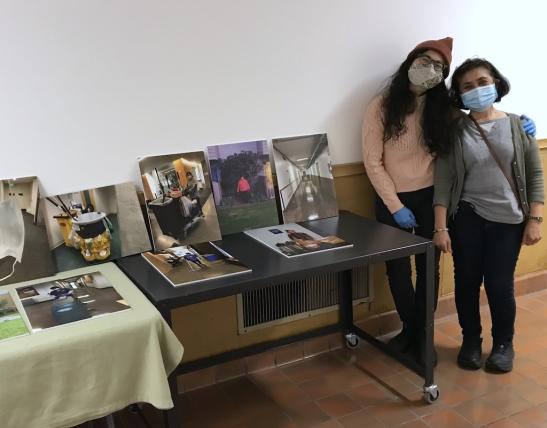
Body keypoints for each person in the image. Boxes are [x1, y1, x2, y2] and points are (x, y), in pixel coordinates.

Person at [362, 38, 536, 363]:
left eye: (439, 66)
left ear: (443, 75)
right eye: (423, 60)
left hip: (432, 197)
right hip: (391, 200)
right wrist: (395, 206)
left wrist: (523, 124)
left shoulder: (444, 110)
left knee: (429, 270)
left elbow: (483, 120)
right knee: (397, 271)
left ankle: (424, 335)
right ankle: (410, 330)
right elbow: (372, 161)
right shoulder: (381, 106)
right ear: (410, 62)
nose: (429, 69)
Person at [433, 58, 544, 373]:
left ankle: (503, 345)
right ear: (459, 94)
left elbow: (535, 174)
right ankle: (470, 341)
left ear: (496, 83)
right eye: (467, 86)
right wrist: (440, 228)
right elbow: (443, 180)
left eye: (482, 82)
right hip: (466, 216)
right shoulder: (454, 130)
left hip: (507, 221)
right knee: (467, 282)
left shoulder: (518, 124)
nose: (476, 90)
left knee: (499, 285)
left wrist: (535, 219)